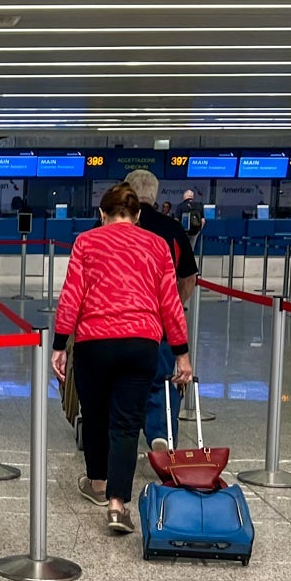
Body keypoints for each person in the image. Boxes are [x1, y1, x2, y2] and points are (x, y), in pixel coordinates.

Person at [52, 183, 192, 532]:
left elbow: (72, 296)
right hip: (141, 343)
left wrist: (58, 345)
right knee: (127, 424)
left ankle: (97, 484)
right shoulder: (156, 245)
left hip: (94, 343)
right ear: (138, 215)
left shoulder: (87, 242)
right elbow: (170, 304)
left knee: (96, 415)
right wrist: (182, 354)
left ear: (103, 214)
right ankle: (117, 506)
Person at [125, 168, 198, 451]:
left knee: (122, 379)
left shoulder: (108, 228)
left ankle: (121, 435)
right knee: (164, 377)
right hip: (161, 322)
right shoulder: (172, 229)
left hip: (118, 322)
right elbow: (188, 278)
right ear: (155, 196)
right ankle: (161, 431)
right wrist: (175, 305)